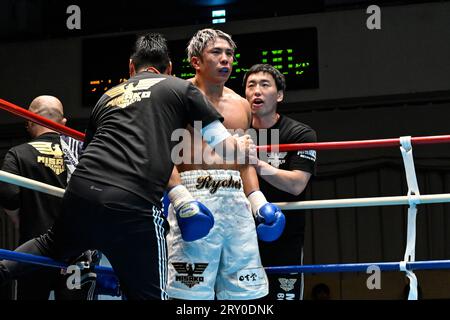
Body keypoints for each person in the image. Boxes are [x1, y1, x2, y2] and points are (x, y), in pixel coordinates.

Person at [0, 33, 250, 300]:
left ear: (132, 67)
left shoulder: (107, 96)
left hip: (82, 192)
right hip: (133, 202)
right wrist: (244, 146)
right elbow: (223, 145)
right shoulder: (180, 87)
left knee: (49, 245)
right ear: (170, 68)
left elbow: (89, 148)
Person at [166, 29, 285, 300]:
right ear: (196, 62)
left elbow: (244, 161)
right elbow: (161, 155)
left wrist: (258, 201)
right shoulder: (176, 98)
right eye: (216, 53)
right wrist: (180, 199)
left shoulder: (241, 105)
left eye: (229, 54)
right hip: (194, 196)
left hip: (236, 203)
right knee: (191, 296)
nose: (225, 60)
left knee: (244, 293)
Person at [0, 95, 94, 300]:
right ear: (63, 123)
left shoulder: (18, 153)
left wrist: (22, 219)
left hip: (32, 251)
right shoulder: (82, 153)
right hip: (75, 254)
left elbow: (8, 197)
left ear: (29, 122)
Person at [243, 64, 317, 300]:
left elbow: (297, 184)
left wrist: (257, 163)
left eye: (265, 85)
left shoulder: (300, 133)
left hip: (286, 238)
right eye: (251, 85)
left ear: (280, 95)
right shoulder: (233, 133)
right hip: (242, 237)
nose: (257, 91)